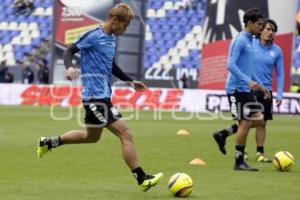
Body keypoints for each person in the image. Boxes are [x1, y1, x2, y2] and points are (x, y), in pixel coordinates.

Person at [36, 3, 163, 191]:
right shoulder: (93, 35)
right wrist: (70, 66)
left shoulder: (111, 39)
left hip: (102, 97)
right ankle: (142, 178)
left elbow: (110, 65)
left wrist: (129, 81)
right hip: (95, 99)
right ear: (114, 20)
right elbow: (69, 50)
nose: (125, 29)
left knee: (90, 137)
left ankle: (48, 142)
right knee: (126, 135)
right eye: (125, 25)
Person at [213, 19, 284, 163]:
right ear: (261, 30)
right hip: (249, 88)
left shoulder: (277, 51)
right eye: (267, 29)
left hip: (265, 89)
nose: (270, 32)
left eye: (273, 30)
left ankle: (259, 153)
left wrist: (280, 93)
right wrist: (252, 83)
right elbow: (237, 65)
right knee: (247, 121)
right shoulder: (250, 44)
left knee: (261, 122)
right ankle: (241, 152)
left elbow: (280, 73)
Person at [217, 7, 270, 171]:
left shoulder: (251, 40)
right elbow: (230, 65)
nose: (261, 28)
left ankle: (223, 134)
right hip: (236, 89)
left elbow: (249, 68)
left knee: (259, 120)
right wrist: (248, 81)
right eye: (259, 24)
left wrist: (261, 86)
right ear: (249, 23)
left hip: (246, 89)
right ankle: (238, 162)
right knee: (246, 123)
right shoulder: (239, 40)